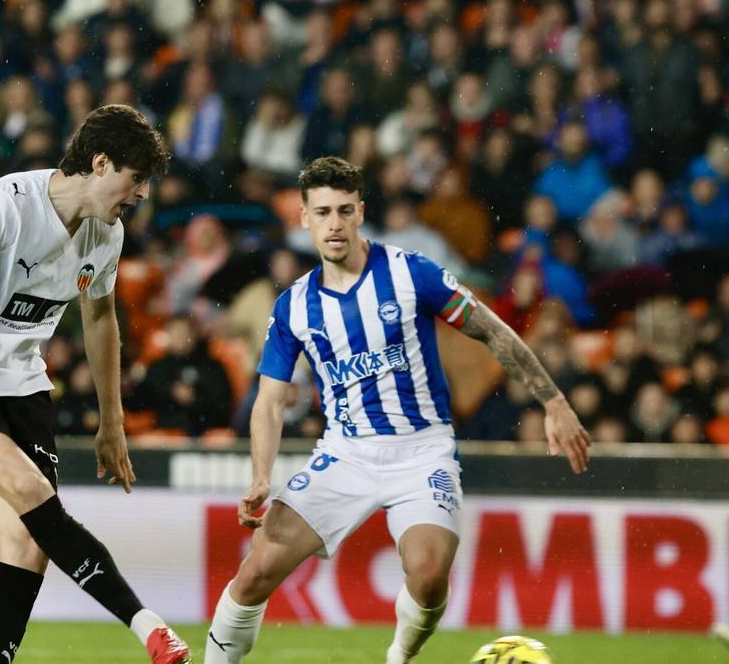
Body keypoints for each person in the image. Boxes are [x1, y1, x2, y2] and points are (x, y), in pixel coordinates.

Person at [203, 157, 591, 664]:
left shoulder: (411, 274)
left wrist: (554, 401)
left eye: (344, 210)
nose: (334, 224)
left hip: (422, 451)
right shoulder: (294, 306)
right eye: (322, 213)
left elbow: (491, 329)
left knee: (429, 577)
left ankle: (399, 657)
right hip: (345, 454)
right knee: (255, 573)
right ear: (303, 218)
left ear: (361, 211)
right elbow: (270, 400)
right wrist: (260, 475)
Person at [0, 104, 191, 664]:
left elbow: (101, 319)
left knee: (26, 547)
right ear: (101, 164)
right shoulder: (4, 207)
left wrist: (113, 423)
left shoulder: (107, 235)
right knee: (33, 492)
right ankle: (149, 628)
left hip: (24, 383)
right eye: (137, 181)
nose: (142, 195)